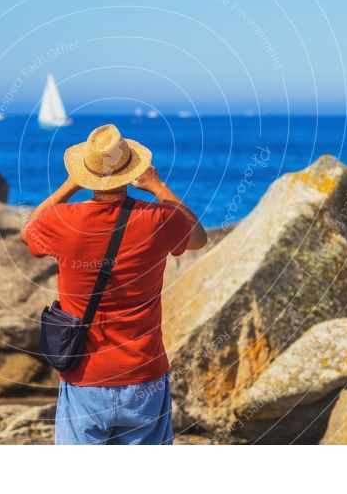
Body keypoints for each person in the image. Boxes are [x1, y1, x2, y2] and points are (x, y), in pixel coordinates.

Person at [20, 123, 207, 444]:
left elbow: (28, 231)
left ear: (86, 173)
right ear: (129, 170)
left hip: (85, 376)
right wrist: (158, 187)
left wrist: (68, 186)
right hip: (143, 373)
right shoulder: (158, 218)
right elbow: (199, 237)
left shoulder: (61, 221)